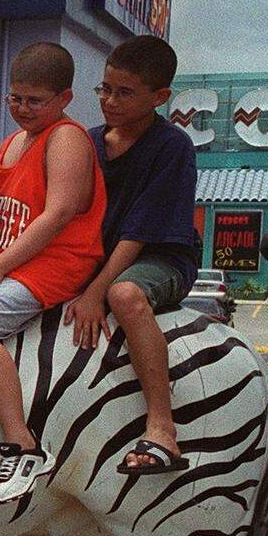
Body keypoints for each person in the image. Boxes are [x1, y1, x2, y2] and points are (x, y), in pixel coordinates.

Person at [0, 43, 107, 502]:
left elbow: (58, 215)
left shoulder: (66, 138)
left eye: (34, 100)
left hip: (56, 263)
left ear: (64, 98)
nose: (22, 108)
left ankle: (22, 443)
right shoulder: (13, 142)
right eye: (15, 98)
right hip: (7, 259)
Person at [63, 35, 200, 474]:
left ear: (160, 97)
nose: (109, 100)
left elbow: (139, 231)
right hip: (99, 257)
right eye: (104, 89)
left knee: (124, 296)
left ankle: (162, 427)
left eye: (124, 92)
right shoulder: (88, 140)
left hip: (161, 257)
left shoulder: (172, 146)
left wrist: (95, 291)